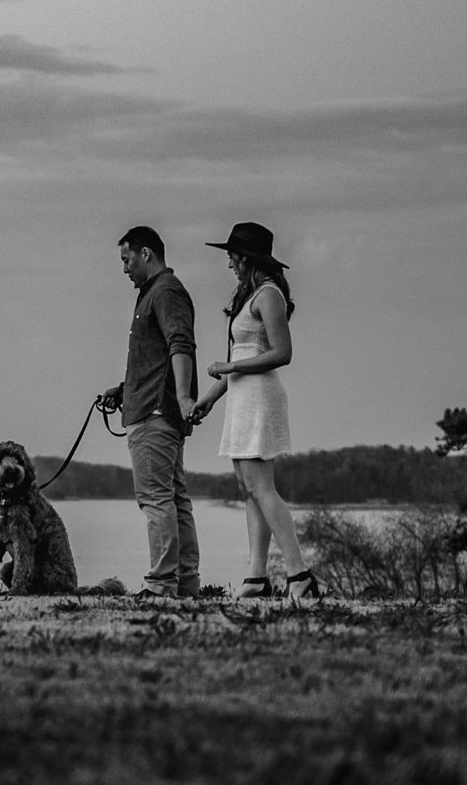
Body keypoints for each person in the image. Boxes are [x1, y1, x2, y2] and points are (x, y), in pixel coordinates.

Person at [193, 221, 321, 603]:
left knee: (262, 487)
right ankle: (256, 577)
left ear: (248, 257)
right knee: (248, 489)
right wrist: (212, 397)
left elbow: (282, 353)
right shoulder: (249, 296)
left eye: (233, 255)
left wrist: (230, 369)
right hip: (241, 398)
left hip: (260, 398)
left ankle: (299, 574)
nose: (229, 262)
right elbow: (241, 357)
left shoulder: (269, 295)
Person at [97, 226, 202, 599]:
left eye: (126, 259)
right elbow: (156, 358)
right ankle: (186, 584)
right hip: (153, 406)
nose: (124, 268)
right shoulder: (153, 294)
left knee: (156, 499)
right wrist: (122, 391)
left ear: (145, 254)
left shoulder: (165, 292)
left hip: (156, 413)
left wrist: (185, 398)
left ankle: (161, 585)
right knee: (174, 498)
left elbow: (180, 344)